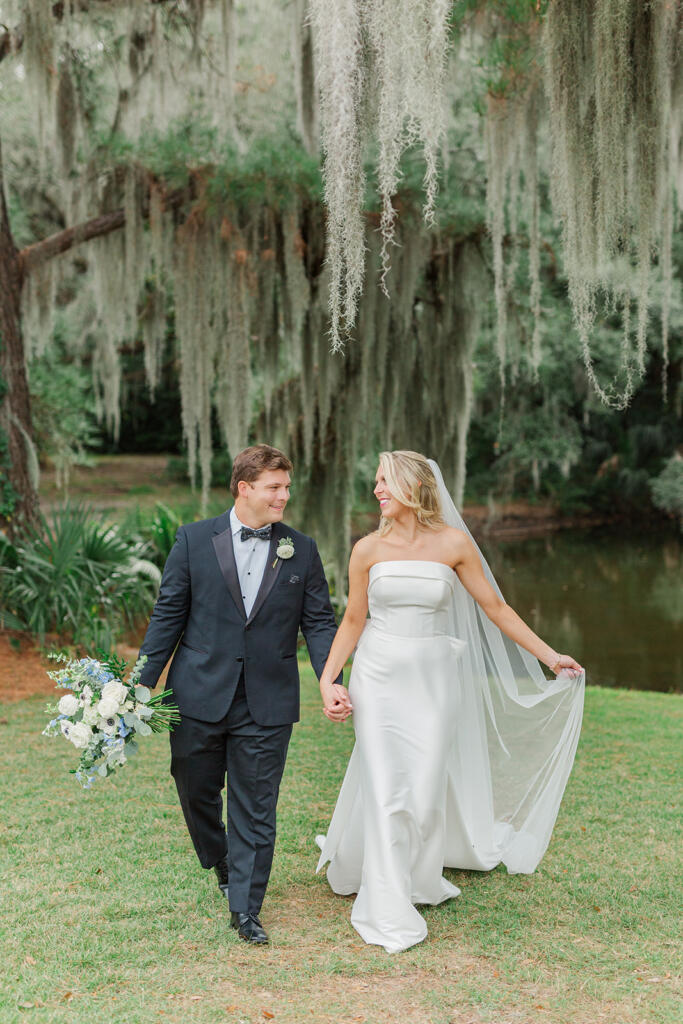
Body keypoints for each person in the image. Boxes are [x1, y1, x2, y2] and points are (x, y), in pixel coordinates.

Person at [316, 450, 585, 953]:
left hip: (434, 680)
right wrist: (330, 679)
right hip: (378, 675)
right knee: (387, 790)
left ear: (414, 488)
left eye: (385, 482)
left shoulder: (454, 544)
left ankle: (417, 875)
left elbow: (496, 609)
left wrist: (551, 656)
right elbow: (353, 619)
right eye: (375, 481)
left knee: (421, 791)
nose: (376, 490)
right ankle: (386, 902)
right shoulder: (366, 550)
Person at [137, 444, 350, 945]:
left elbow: (319, 623)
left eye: (287, 486)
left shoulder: (303, 548)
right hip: (197, 694)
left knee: (256, 806)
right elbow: (168, 614)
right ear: (245, 488)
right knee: (194, 787)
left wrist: (330, 676)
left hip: (268, 700)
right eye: (275, 487)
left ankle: (246, 909)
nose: (284, 496)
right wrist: (142, 682)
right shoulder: (192, 541)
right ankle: (221, 860)